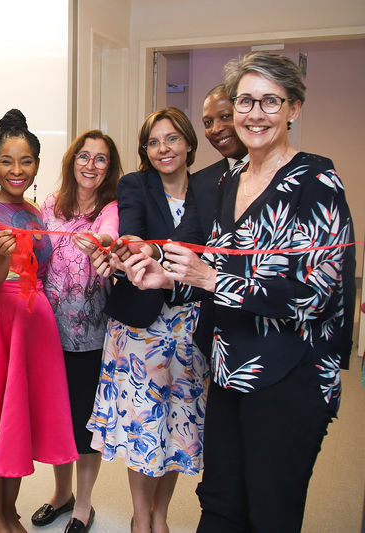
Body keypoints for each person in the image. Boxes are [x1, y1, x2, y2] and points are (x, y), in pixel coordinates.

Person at [122, 52, 355, 533]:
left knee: (270, 510)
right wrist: (167, 278)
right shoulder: (228, 179)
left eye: (271, 101)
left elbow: (318, 294)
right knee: (221, 502)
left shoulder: (316, 181)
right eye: (246, 101)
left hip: (292, 371)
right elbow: (210, 270)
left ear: (294, 108)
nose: (255, 114)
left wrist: (211, 279)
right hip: (228, 366)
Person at [86, 107, 208, 533]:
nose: (163, 148)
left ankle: (161, 517)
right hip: (141, 327)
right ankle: (141, 518)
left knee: (175, 426)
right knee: (143, 425)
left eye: (172, 138)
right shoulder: (135, 184)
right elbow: (132, 234)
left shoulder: (210, 188)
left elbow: (212, 253)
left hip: (189, 323)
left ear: (189, 143)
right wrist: (142, 251)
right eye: (154, 142)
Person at [0, 109, 78, 533]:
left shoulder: (37, 212)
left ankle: (9, 512)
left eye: (25, 161)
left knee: (16, 426)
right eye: (7, 161)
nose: (16, 170)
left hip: (35, 327)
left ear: (37, 166)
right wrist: (5, 253)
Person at [31, 131, 122, 533]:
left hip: (91, 337)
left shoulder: (112, 206)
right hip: (49, 331)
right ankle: (61, 494)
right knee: (58, 420)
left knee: (86, 426)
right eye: (84, 157)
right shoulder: (51, 204)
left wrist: (100, 242)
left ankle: (83, 506)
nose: (90, 165)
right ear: (72, 161)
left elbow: (110, 234)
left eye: (100, 159)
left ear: (110, 167)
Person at [175, 85, 249, 357]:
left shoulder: (294, 176)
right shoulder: (203, 181)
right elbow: (187, 241)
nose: (216, 128)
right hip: (218, 330)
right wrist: (149, 252)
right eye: (208, 122)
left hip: (273, 331)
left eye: (225, 116)